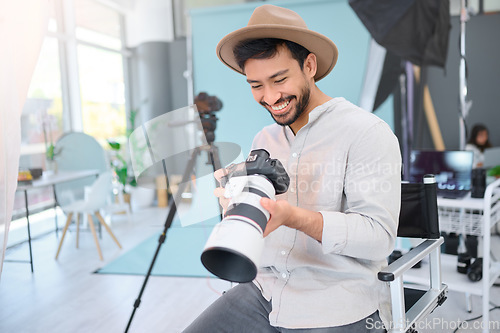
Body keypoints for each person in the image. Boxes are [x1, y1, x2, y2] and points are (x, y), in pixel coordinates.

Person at [184, 5, 401, 332]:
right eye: (256, 85)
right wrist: (237, 204)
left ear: (309, 65)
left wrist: (295, 218)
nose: (270, 97)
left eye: (279, 79)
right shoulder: (265, 138)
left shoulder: (366, 132)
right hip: (266, 290)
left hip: (335, 300)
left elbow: (379, 238)